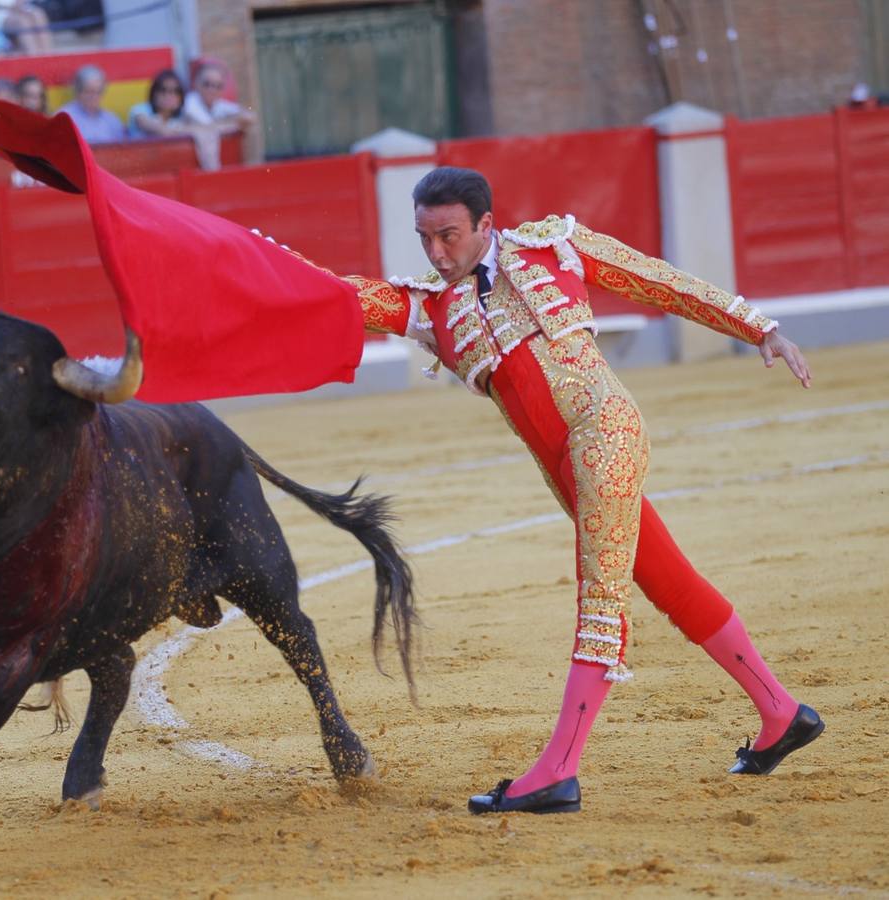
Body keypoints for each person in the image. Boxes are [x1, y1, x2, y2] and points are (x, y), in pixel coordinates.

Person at [346, 166, 822, 814]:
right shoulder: (432, 305)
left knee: (601, 596)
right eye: (424, 238)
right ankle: (782, 712)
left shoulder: (551, 247)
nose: (436, 252)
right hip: (566, 473)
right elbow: (343, 296)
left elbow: (659, 281)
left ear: (486, 224)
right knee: (671, 582)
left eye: (449, 235)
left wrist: (758, 326)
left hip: (606, 434)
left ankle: (557, 771)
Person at [127, 68, 222, 171]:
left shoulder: (181, 116)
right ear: (154, 93)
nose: (169, 96)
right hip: (140, 168)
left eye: (175, 91)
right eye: (163, 90)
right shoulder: (140, 110)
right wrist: (187, 129)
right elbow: (159, 129)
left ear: (181, 97)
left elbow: (207, 127)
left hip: (168, 169)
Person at [182, 61, 255, 135]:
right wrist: (232, 122)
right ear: (196, 84)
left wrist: (241, 117)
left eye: (218, 86)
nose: (212, 90)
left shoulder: (218, 104)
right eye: (207, 84)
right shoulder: (189, 101)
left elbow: (248, 116)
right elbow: (208, 126)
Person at [59, 64, 124, 144]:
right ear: (78, 91)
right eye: (89, 92)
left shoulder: (112, 120)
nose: (94, 97)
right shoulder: (64, 118)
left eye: (98, 92)